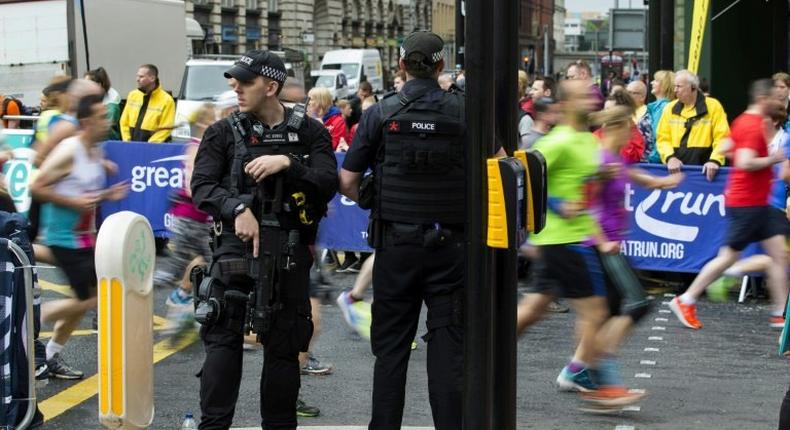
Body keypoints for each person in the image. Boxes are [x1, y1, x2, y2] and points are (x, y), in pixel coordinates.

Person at [339, 30, 489, 430]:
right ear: (441, 65)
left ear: (402, 65)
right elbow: (502, 172)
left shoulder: (380, 112)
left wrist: (375, 197)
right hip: (451, 248)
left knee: (390, 353)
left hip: (396, 246)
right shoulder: (466, 111)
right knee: (447, 352)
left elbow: (348, 181)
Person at [190, 49, 337, 429]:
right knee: (222, 346)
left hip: (288, 255)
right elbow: (202, 187)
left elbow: (328, 182)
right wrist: (238, 210)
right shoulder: (223, 132)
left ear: (271, 87)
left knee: (283, 353)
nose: (235, 87)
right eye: (234, 80)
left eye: (246, 81)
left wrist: (290, 164)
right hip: (234, 254)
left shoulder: (310, 131)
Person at [514, 80, 642, 408]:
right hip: (565, 240)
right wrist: (557, 204)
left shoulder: (586, 137)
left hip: (571, 240)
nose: (592, 98)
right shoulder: (559, 141)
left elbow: (592, 174)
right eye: (585, 95)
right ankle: (603, 387)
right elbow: (523, 174)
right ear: (568, 103)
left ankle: (478, 355)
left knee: (532, 311)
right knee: (597, 313)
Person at [669, 79, 788, 330]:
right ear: (763, 100)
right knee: (728, 257)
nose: (779, 104)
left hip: (758, 202)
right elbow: (745, 162)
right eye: (775, 99)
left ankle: (780, 313)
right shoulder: (753, 125)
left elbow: (725, 146)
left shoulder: (743, 121)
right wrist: (773, 158)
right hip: (747, 203)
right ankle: (688, 298)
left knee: (780, 254)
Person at [32, 94, 128, 379]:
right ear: (86, 122)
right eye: (101, 117)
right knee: (90, 299)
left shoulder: (94, 150)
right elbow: (37, 187)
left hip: (86, 239)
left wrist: (106, 194)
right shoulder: (69, 150)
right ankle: (32, 320)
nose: (107, 121)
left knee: (89, 297)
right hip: (64, 238)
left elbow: (82, 191)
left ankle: (49, 355)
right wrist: (75, 205)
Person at [656, 69, 730, 180]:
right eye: (674, 86)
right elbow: (662, 138)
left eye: (679, 86)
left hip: (706, 173)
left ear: (693, 87)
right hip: (676, 172)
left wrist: (715, 160)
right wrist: (670, 158)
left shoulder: (713, 106)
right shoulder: (669, 108)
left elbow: (723, 137)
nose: (675, 90)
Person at [119, 64, 176, 143]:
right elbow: (124, 121)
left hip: (153, 149)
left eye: (141, 77)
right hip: (131, 146)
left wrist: (149, 146)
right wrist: (127, 141)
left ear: (152, 78)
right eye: (137, 76)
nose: (137, 79)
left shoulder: (167, 100)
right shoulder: (132, 95)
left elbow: (166, 128)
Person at [597, 91, 645, 163]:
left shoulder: (633, 134)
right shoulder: (597, 133)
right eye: (605, 109)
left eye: (609, 110)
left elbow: (629, 157)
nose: (605, 113)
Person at [85, 66, 121, 140]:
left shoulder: (112, 101)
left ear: (99, 85)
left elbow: (107, 127)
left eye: (87, 83)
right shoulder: (88, 96)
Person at [307, 87, 348, 151]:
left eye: (311, 99)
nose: (308, 103)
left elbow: (334, 145)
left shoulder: (339, 121)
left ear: (320, 101)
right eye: (308, 99)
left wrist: (321, 128)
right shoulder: (310, 117)